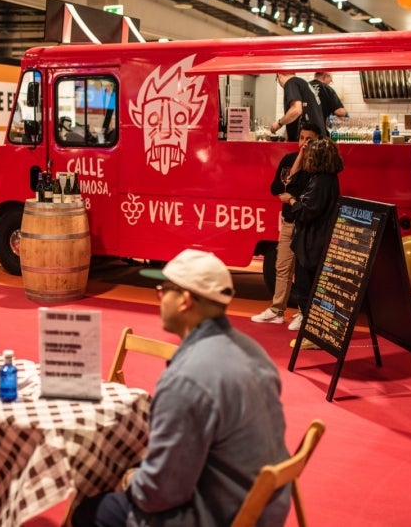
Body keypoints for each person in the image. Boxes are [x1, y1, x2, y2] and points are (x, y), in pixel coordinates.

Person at [73, 249, 291, 526]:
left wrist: (131, 481)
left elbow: (160, 494)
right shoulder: (254, 351)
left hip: (222, 515)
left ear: (185, 301)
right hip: (265, 506)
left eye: (163, 290)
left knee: (92, 510)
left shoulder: (187, 378)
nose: (159, 297)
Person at [251, 122, 322, 331]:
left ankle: (303, 312)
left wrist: (291, 195)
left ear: (318, 140)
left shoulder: (318, 167)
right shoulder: (289, 160)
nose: (304, 143)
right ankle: (276, 310)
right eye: (302, 138)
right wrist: (298, 160)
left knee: (303, 272)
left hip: (306, 226)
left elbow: (303, 195)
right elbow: (276, 188)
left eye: (309, 139)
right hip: (289, 222)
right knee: (282, 267)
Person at [287, 138, 344, 334]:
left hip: (312, 243)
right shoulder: (329, 179)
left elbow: (306, 212)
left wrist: (292, 200)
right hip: (320, 240)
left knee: (306, 289)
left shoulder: (320, 181)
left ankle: (312, 331)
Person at [270, 72, 325, 142]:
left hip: (309, 141)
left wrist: (279, 123)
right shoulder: (302, 83)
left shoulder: (290, 83)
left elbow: (296, 110)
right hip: (317, 139)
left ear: (279, 75)